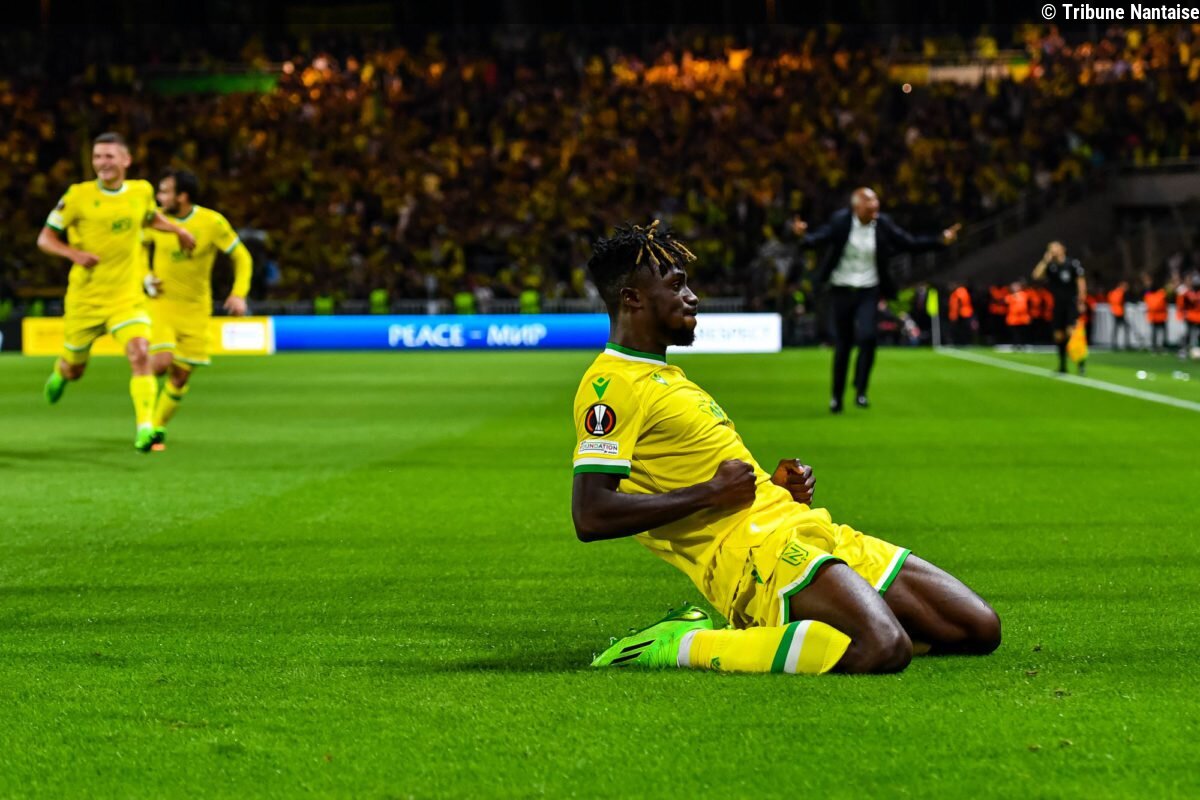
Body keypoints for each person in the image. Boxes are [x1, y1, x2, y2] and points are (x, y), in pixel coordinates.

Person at [572, 221, 1000, 675]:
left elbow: (708, 475)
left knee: (977, 628)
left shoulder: (667, 378)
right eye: (677, 286)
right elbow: (591, 514)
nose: (692, 297)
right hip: (750, 556)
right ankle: (681, 644)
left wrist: (773, 487)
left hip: (801, 526)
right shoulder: (612, 385)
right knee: (882, 647)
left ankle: (812, 626)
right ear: (632, 298)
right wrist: (711, 493)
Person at [37, 132, 196, 451]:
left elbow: (149, 218)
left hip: (126, 299)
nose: (102, 162)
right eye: (97, 156)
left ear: (126, 160)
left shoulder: (141, 191)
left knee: (140, 352)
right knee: (76, 369)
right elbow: (45, 238)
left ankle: (145, 428)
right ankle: (61, 372)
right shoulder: (77, 196)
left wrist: (177, 230)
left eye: (109, 156)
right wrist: (74, 254)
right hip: (86, 300)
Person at [790, 188, 959, 413]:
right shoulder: (841, 222)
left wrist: (940, 240)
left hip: (868, 290)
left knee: (868, 337)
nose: (875, 209)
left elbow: (908, 242)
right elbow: (818, 239)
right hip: (841, 289)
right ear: (856, 207)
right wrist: (802, 235)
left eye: (876, 204)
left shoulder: (882, 224)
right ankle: (836, 397)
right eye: (870, 205)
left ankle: (860, 390)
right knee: (843, 344)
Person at [143, 169, 252, 450]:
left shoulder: (211, 222)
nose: (159, 197)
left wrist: (238, 294)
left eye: (164, 191)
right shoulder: (155, 220)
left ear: (182, 196)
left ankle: (155, 428)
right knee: (161, 362)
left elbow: (242, 257)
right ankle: (143, 419)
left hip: (196, 311)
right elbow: (136, 250)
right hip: (162, 304)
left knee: (180, 376)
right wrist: (144, 276)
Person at [1032, 241, 1087, 375]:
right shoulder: (1051, 266)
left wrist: (1081, 301)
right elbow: (1036, 276)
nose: (1053, 250)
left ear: (1063, 249)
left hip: (1071, 303)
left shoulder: (1072, 264)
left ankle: (1080, 364)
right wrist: (1045, 261)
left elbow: (1080, 281)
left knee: (1072, 332)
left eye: (1055, 247)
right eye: (1050, 248)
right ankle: (1062, 366)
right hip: (1057, 304)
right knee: (1058, 336)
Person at [1143, 274, 1169, 353]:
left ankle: (1158, 347)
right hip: (1157, 316)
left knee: (1159, 333)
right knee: (1158, 332)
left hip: (1158, 315)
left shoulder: (1157, 293)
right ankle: (1158, 347)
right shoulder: (1155, 292)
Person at [1004, 280, 1032, 349]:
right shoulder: (1010, 296)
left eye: (1017, 286)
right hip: (1013, 318)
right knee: (1015, 332)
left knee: (1023, 332)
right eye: (1014, 286)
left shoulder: (1025, 294)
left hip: (1023, 318)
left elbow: (1029, 304)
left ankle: (1023, 344)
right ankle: (1016, 344)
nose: (1015, 288)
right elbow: (1005, 303)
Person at [948, 282, 975, 346]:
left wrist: (956, 312)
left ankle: (965, 342)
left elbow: (960, 302)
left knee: (964, 329)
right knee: (960, 329)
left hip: (963, 314)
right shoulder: (956, 292)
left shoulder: (960, 291)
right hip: (960, 314)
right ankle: (961, 342)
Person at [1107, 280, 1131, 351]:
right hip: (1119, 312)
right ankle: (1126, 344)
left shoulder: (1112, 292)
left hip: (1114, 312)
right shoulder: (1120, 293)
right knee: (1124, 328)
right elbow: (1121, 301)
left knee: (1116, 329)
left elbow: (1110, 301)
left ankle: (1114, 344)